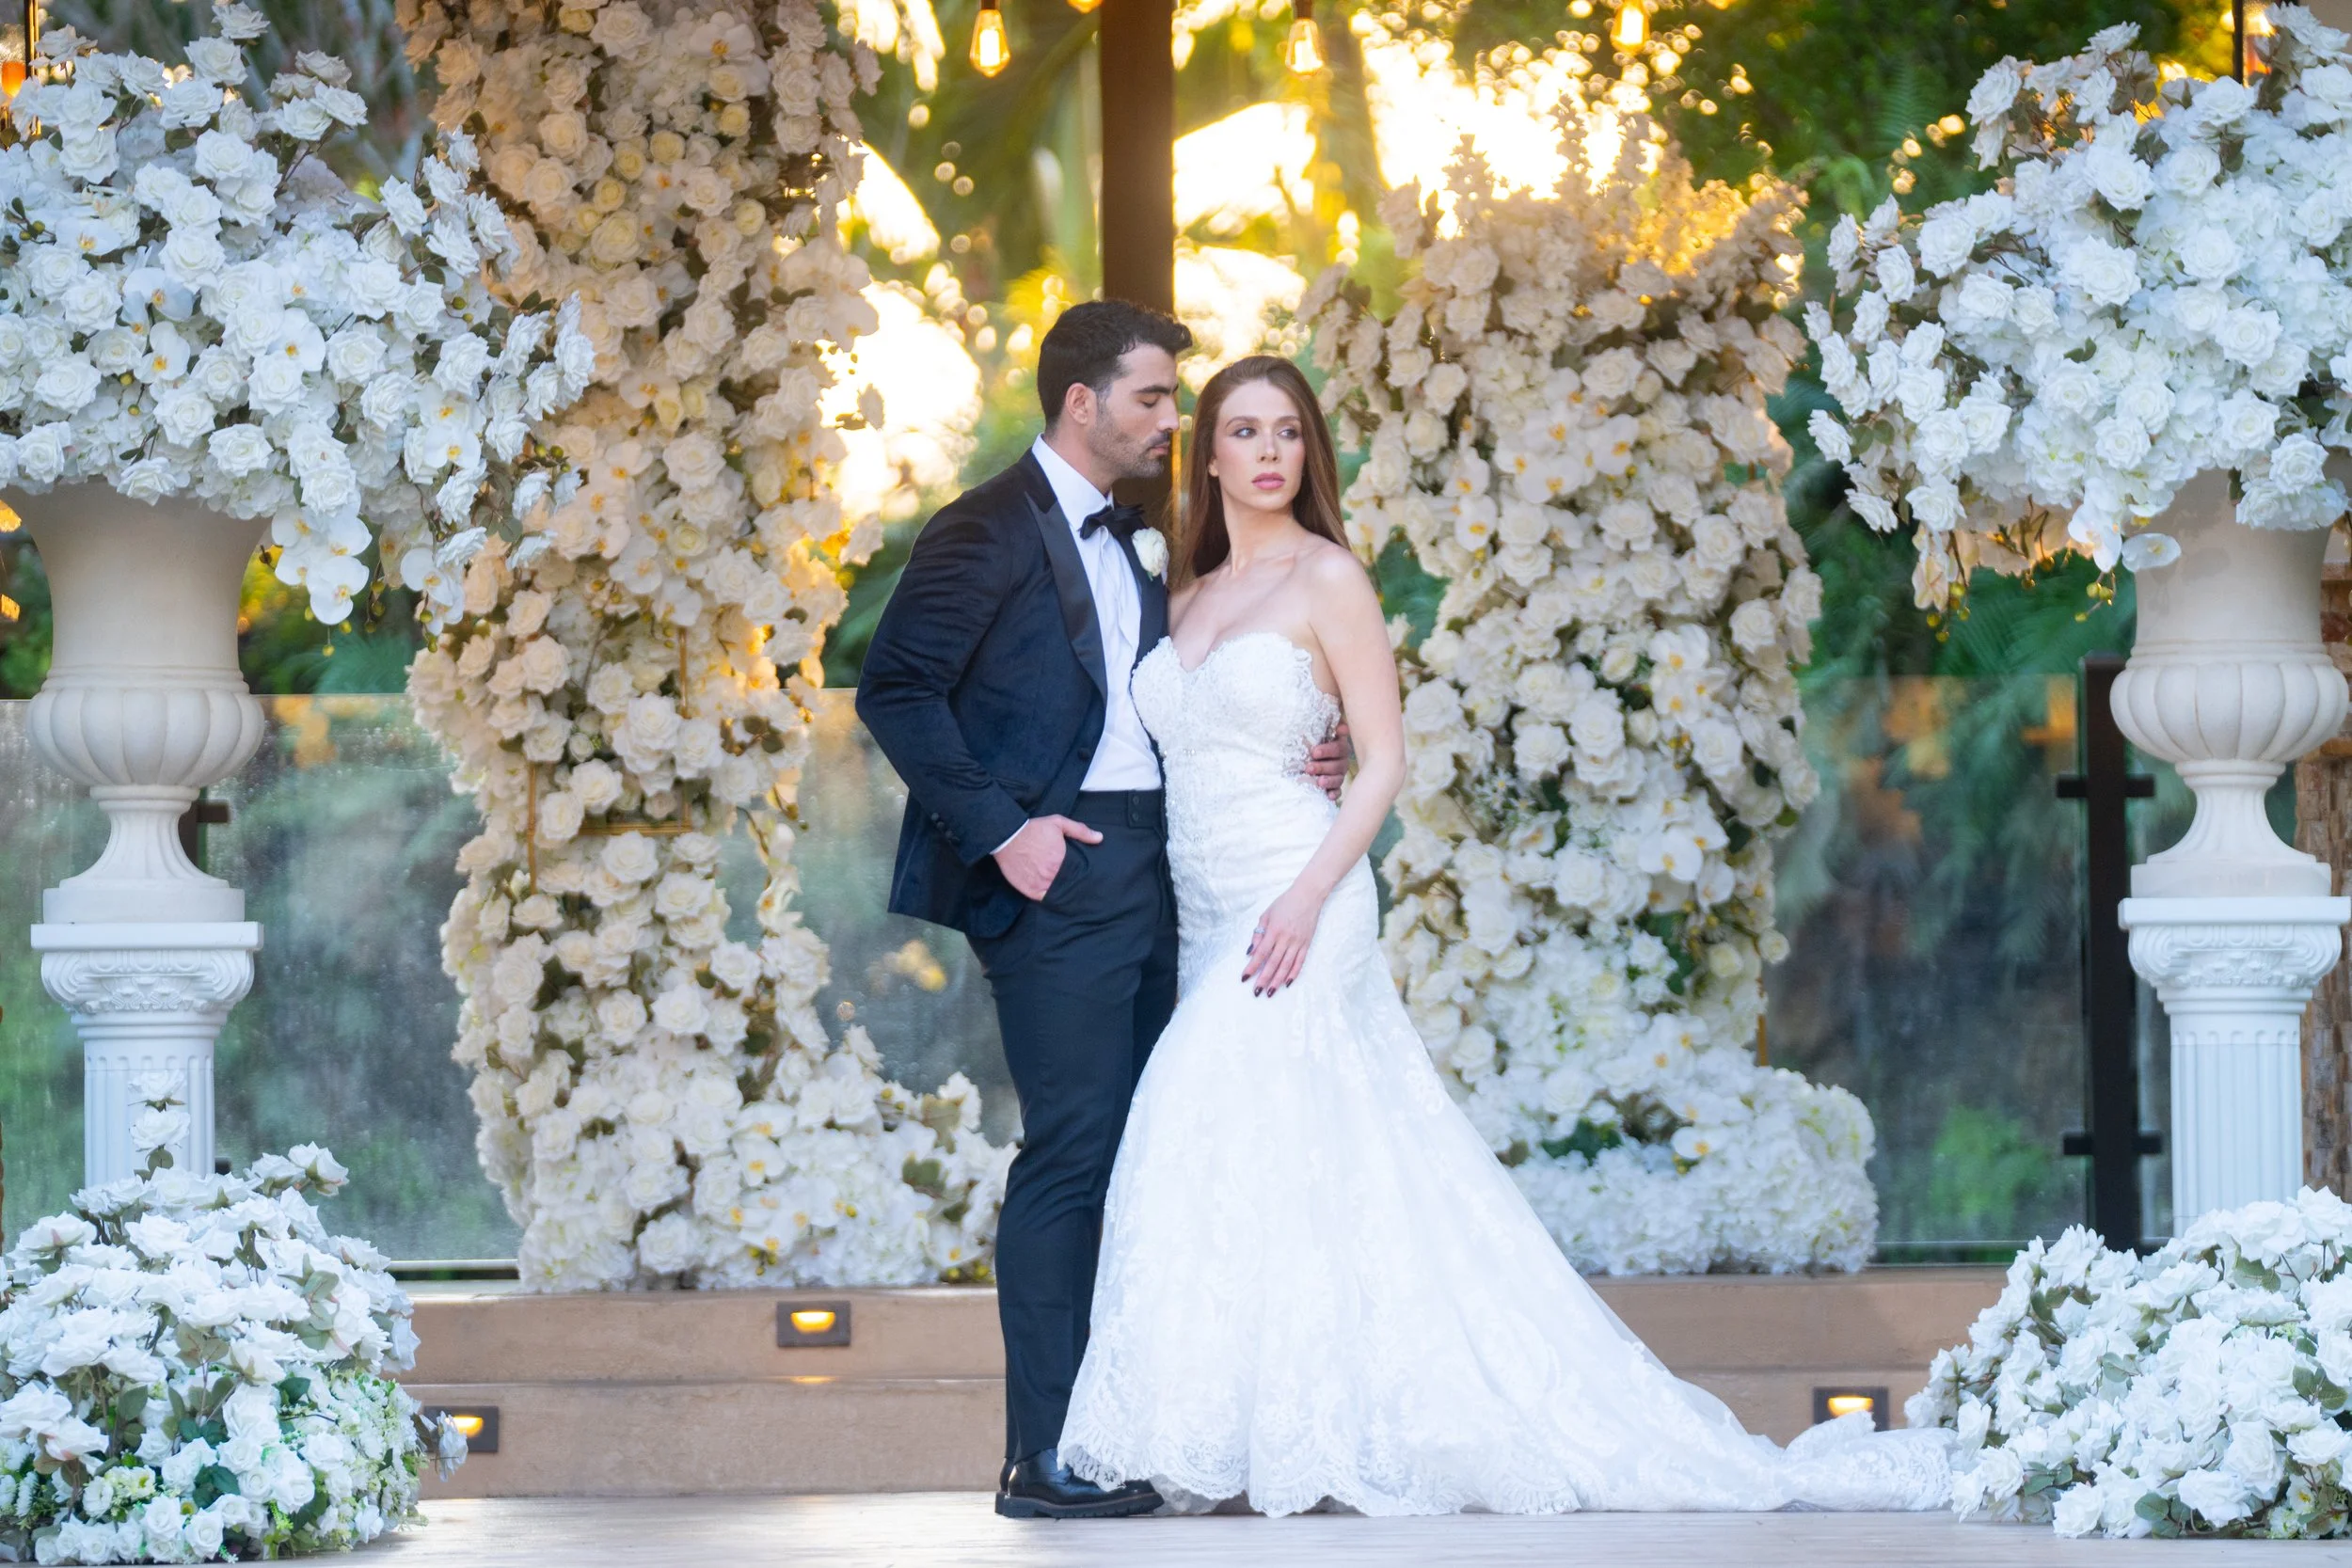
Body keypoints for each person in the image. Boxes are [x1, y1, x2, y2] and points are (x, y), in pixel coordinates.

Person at [1052, 355, 1953, 1517]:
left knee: (1192, 1117)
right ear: (1209, 453)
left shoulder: (1329, 579)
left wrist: (1305, 892)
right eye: (1242, 429)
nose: (1267, 450)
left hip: (1299, 898)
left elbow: (1381, 760)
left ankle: (1276, 1431)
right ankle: (1260, 1429)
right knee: (1282, 1155)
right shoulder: (1173, 597)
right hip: (1204, 907)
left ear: (1306, 453)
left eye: (1287, 430)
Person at [856, 306, 1348, 1520]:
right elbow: (895, 687)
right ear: (1082, 402)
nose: (1168, 422)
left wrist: (1303, 751)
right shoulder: (978, 528)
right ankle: (1043, 1454)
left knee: (1152, 1158)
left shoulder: (1145, 542)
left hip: (1170, 873)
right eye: (1152, 399)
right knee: (1073, 1151)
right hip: (1053, 870)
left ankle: (1127, 1426)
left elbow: (1187, 696)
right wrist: (1005, 827)